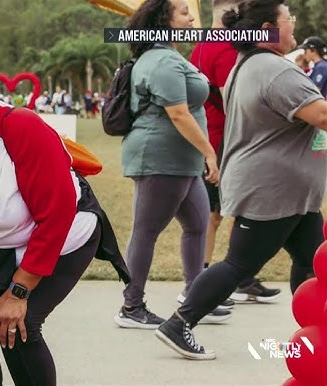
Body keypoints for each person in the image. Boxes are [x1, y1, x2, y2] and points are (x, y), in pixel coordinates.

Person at [0, 45, 129, 386]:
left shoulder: (20, 128)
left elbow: (57, 215)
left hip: (58, 238)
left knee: (17, 327)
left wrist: (19, 292)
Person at [156, 0, 327, 360]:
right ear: (267, 28)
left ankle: (310, 335)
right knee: (239, 265)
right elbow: (322, 114)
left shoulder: (248, 63)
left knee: (312, 261)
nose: (293, 24)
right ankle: (179, 323)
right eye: (288, 18)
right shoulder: (273, 69)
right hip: (272, 189)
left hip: (289, 190)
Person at [114, 0, 228, 330]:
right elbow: (177, 113)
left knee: (197, 225)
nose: (191, 17)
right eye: (183, 12)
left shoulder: (169, 54)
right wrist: (209, 152)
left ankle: (196, 297)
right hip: (159, 159)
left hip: (181, 161)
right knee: (146, 230)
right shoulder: (161, 60)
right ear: (164, 18)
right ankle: (131, 306)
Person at [190, 0, 280, 305]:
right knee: (217, 215)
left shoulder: (200, 47)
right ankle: (209, 281)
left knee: (217, 213)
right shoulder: (226, 47)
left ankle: (234, 278)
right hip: (224, 142)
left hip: (208, 139)